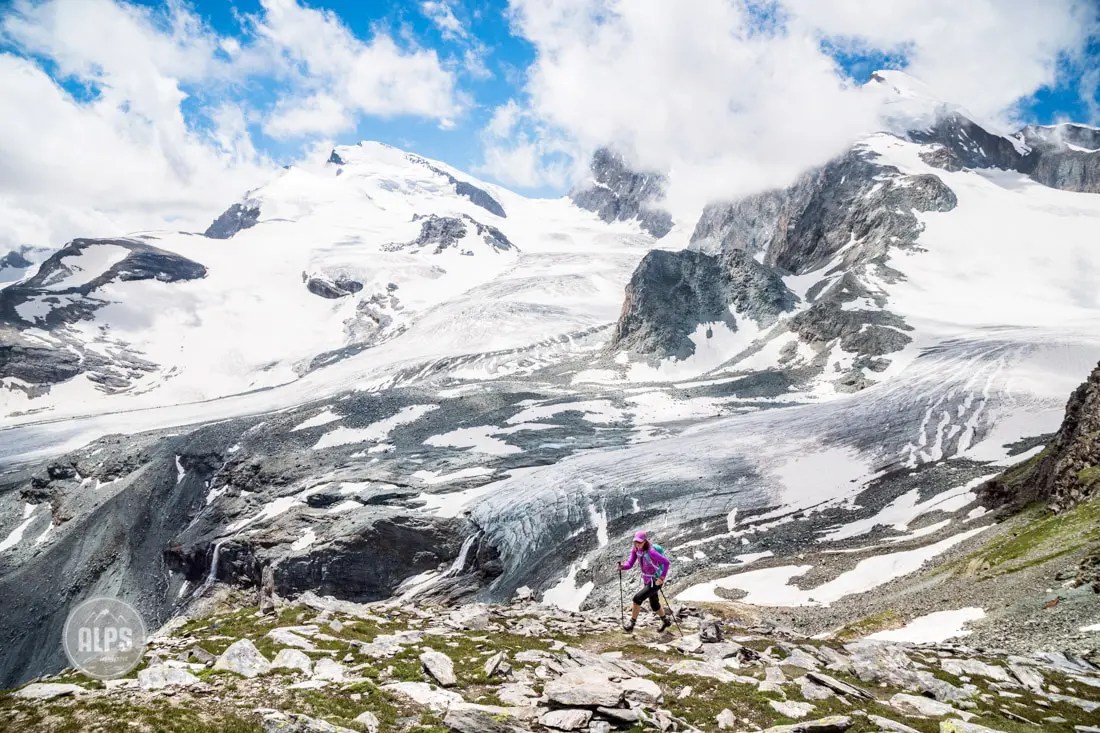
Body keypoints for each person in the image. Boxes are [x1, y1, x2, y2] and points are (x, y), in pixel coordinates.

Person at [619, 530, 672, 632]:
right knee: (654, 604)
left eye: (639, 542)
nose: (637, 544)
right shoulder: (636, 550)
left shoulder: (651, 551)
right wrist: (623, 567)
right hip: (647, 580)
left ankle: (631, 624)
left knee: (637, 599)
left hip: (655, 581)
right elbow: (630, 563)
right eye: (635, 542)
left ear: (645, 541)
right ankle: (666, 621)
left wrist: (661, 578)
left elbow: (666, 563)